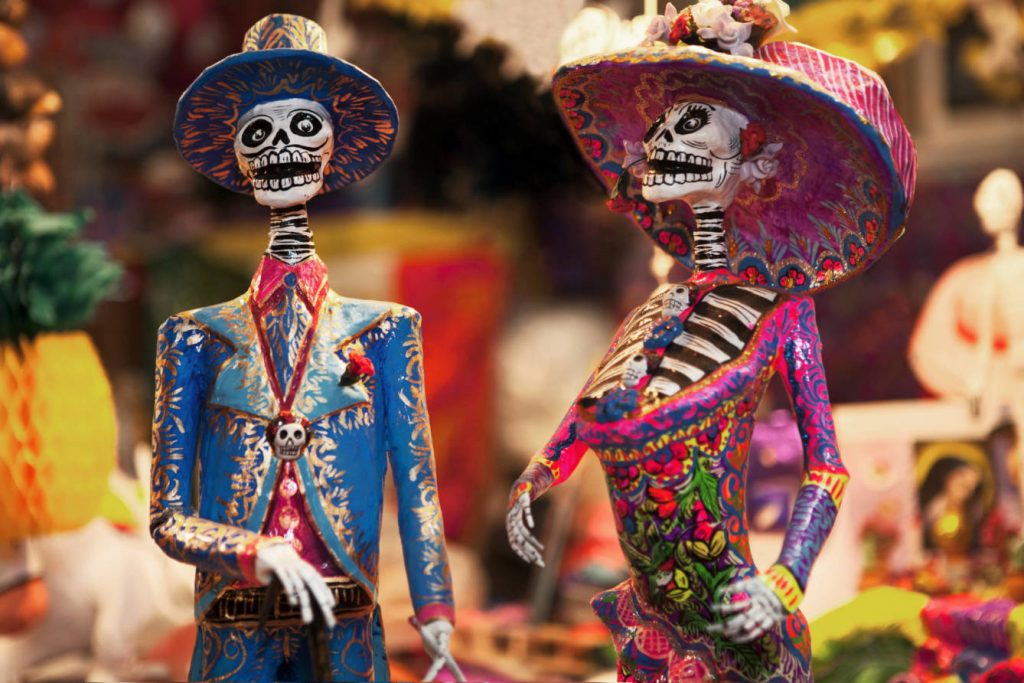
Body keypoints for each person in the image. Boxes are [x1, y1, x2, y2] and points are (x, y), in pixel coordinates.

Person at [506, 1, 916, 680]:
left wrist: (786, 579)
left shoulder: (781, 311)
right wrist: (537, 476)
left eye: (691, 124)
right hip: (646, 621)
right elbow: (584, 411)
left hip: (736, 623)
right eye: (662, 125)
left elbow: (826, 466)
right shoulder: (653, 308)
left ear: (753, 159)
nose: (661, 138)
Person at [150, 15, 454, 682]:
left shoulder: (386, 330)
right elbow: (167, 517)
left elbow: (418, 486)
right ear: (238, 155)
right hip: (234, 616)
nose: (282, 148)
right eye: (258, 132)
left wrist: (435, 605)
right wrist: (250, 551)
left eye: (304, 126)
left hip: (348, 615)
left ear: (331, 147)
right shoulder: (193, 337)